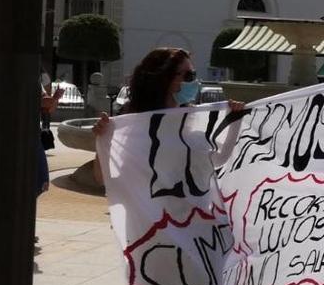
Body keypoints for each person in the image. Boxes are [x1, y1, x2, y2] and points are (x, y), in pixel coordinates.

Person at [91, 47, 244, 183]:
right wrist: (104, 140)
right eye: (189, 75)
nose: (194, 81)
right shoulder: (136, 131)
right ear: (165, 80)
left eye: (193, 74)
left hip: (193, 214)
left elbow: (219, 159)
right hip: (154, 215)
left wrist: (235, 118)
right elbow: (104, 179)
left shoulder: (191, 123)